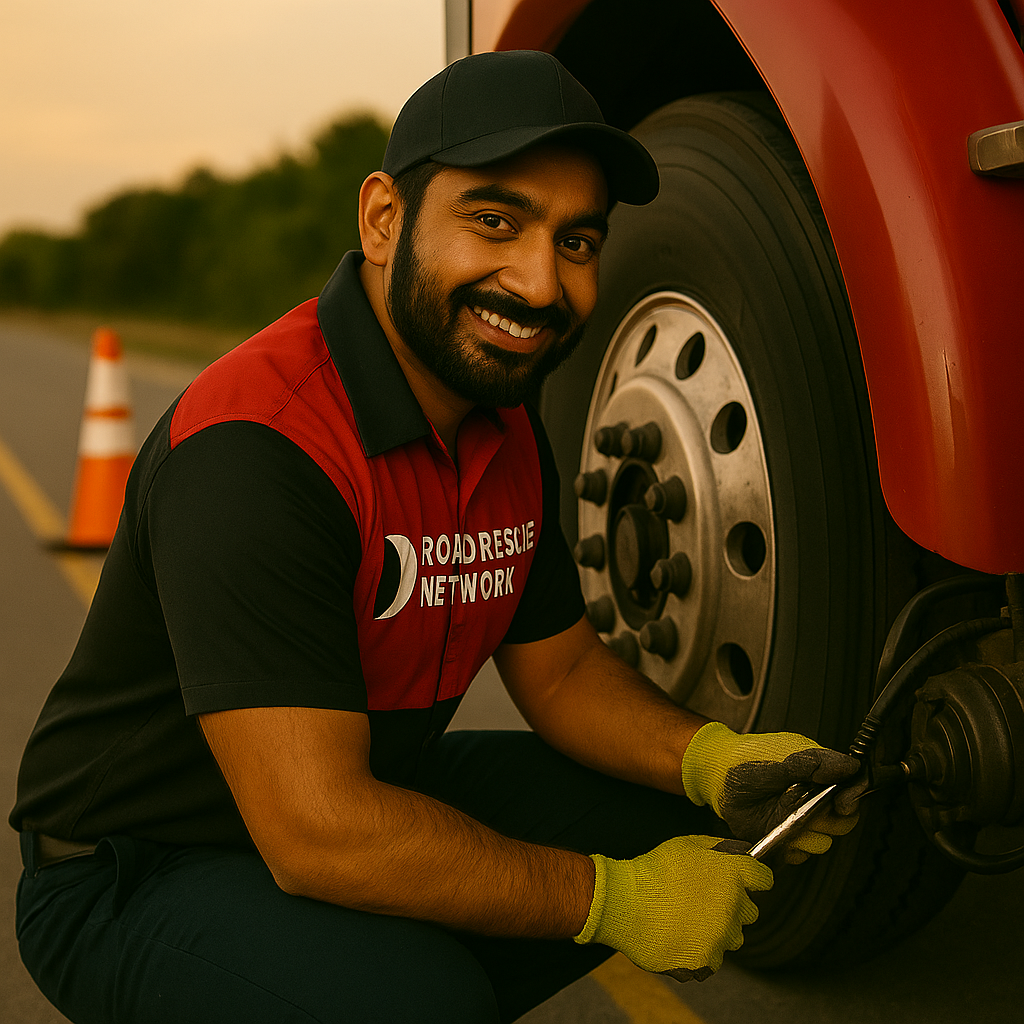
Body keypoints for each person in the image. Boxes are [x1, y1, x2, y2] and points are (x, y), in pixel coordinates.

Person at [10, 50, 861, 1024]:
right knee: (420, 998)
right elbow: (317, 832)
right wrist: (608, 901)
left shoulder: (499, 420)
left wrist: (715, 759)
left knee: (663, 814)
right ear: (383, 220)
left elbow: (567, 675)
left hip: (357, 788)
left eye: (576, 241)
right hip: (137, 867)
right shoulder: (260, 446)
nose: (540, 283)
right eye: (494, 221)